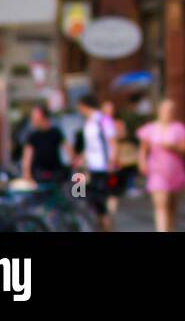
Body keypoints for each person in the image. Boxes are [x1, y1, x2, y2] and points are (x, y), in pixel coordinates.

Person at [137, 99, 185, 232]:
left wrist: (173, 146)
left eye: (171, 110)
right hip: (157, 171)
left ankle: (171, 228)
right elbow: (143, 149)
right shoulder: (150, 128)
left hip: (175, 171)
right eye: (166, 110)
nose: (169, 113)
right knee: (161, 205)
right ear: (159, 111)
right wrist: (142, 162)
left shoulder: (179, 128)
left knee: (172, 206)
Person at [76, 94, 119, 230]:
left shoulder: (103, 120)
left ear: (84, 106)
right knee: (92, 202)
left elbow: (113, 142)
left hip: (103, 168)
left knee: (102, 204)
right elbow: (90, 146)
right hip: (92, 168)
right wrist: (81, 159)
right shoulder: (89, 123)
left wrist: (112, 161)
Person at [21, 103, 70, 185]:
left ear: (43, 117)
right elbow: (27, 157)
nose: (33, 119)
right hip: (39, 174)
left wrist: (73, 162)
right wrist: (27, 174)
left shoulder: (55, 132)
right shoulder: (33, 136)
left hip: (56, 173)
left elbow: (67, 147)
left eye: (35, 116)